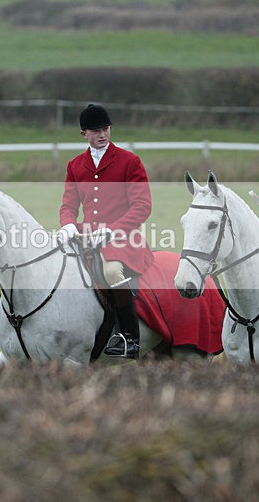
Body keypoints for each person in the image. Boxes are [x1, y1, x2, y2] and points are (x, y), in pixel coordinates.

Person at [59, 103, 154, 359]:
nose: (102, 135)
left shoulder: (129, 161)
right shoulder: (75, 165)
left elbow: (143, 206)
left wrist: (112, 230)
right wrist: (68, 224)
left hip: (123, 239)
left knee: (111, 270)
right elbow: (68, 205)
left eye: (106, 129)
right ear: (84, 134)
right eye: (96, 131)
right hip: (87, 238)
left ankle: (130, 338)